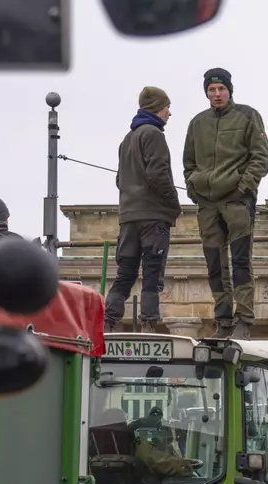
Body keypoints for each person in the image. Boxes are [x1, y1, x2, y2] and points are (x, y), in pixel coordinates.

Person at [183, 67, 268, 341]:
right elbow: (188, 162)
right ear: (207, 93)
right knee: (214, 265)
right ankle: (222, 320)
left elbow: (261, 158)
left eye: (221, 89)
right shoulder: (197, 123)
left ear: (229, 90)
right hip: (207, 205)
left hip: (236, 202)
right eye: (211, 90)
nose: (217, 94)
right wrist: (193, 187)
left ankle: (244, 318)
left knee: (241, 261)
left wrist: (243, 188)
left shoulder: (248, 116)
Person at [104, 86, 182, 333]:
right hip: (153, 216)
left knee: (124, 273)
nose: (169, 113)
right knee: (152, 269)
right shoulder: (154, 134)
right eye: (167, 107)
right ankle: (150, 322)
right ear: (158, 108)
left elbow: (119, 180)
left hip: (128, 218)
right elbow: (158, 174)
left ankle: (108, 321)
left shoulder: (126, 140)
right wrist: (172, 203)